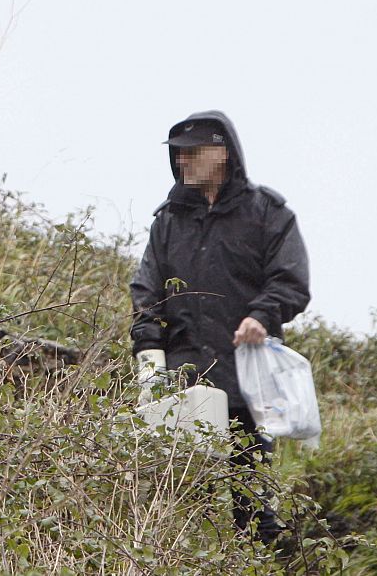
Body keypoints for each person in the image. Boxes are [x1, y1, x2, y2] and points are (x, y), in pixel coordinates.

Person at [130, 110, 310, 542]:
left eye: (192, 153)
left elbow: (291, 280)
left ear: (223, 153)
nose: (183, 163)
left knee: (253, 499)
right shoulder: (168, 220)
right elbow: (146, 291)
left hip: (248, 378)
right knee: (183, 497)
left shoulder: (268, 213)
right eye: (178, 155)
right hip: (183, 380)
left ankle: (259, 565)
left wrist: (260, 317)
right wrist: (149, 359)